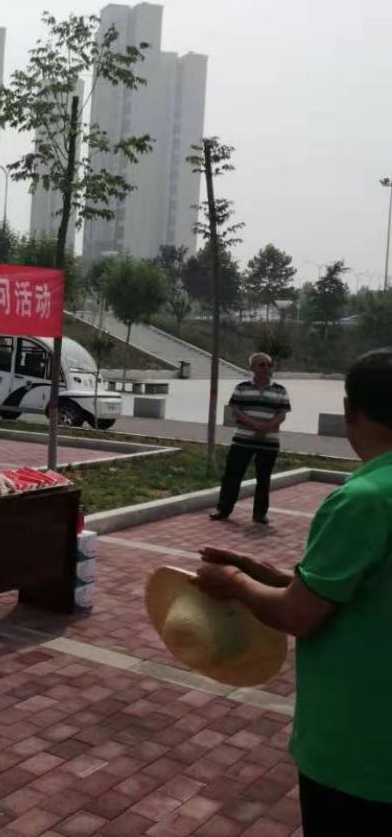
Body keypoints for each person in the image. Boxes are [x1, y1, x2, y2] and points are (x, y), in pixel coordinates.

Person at [196, 349, 392, 833]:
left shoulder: (363, 501)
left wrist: (234, 584)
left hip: (360, 749)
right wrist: (256, 569)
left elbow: (298, 615)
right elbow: (347, 592)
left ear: (349, 411)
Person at [210, 352, 291, 523]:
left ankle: (260, 514)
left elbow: (282, 414)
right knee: (233, 475)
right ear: (252, 368)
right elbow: (236, 410)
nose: (266, 368)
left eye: (269, 365)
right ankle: (223, 510)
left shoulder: (280, 390)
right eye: (261, 365)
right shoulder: (242, 387)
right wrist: (255, 425)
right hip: (242, 440)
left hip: (269, 442)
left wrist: (266, 428)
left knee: (263, 479)